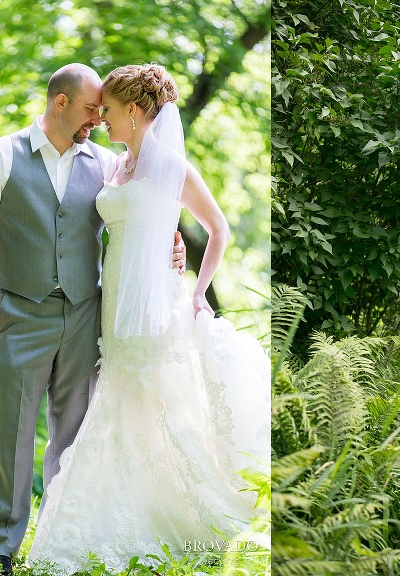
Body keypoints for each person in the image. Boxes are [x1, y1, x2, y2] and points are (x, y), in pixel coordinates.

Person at [27, 64, 270, 573]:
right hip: (112, 301)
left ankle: (177, 510)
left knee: (157, 402)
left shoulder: (172, 166)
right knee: (117, 399)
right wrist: (167, 239)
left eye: (109, 111)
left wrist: (198, 289)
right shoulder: (114, 166)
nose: (103, 119)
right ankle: (125, 503)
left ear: (134, 112)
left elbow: (219, 228)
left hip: (156, 304)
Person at [0, 63, 185, 576]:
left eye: (103, 112)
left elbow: (141, 203)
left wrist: (171, 235)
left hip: (85, 314)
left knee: (75, 432)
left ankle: (59, 541)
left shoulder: (104, 162)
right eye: (89, 110)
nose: (98, 120)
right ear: (60, 103)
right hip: (19, 313)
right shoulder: (0, 155)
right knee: (11, 432)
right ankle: (0, 550)